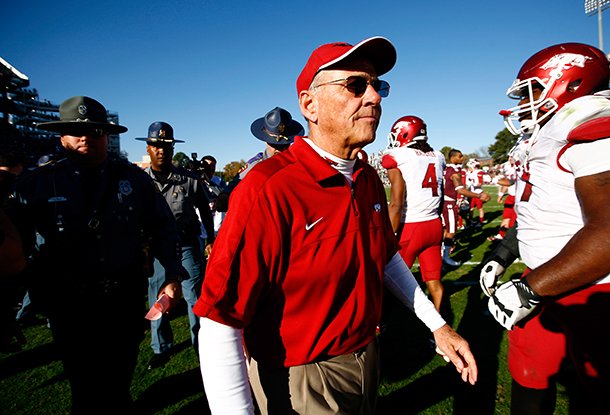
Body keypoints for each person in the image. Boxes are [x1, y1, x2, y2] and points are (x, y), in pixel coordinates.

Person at [194, 36, 477, 415]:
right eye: (356, 85)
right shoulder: (268, 187)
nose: (375, 97)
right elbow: (220, 318)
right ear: (309, 104)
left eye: (379, 85)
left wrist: (438, 326)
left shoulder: (366, 177)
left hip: (368, 354)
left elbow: (387, 258)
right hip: (303, 376)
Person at [8, 96, 186, 413]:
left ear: (106, 134)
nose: (85, 136)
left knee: (119, 376)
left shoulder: (132, 179)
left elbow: (163, 227)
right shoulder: (36, 183)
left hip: (123, 298)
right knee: (85, 385)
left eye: (94, 130)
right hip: (70, 303)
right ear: (61, 136)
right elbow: (12, 243)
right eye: (76, 130)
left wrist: (171, 275)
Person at [486, 43, 610, 414]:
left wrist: (529, 289)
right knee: (529, 373)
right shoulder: (548, 131)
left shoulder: (590, 124)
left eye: (534, 90)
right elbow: (539, 208)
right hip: (547, 276)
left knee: (598, 389)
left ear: (569, 82)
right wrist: (504, 254)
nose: (526, 102)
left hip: (593, 288)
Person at [136, 121, 215, 370]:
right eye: (157, 146)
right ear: (148, 148)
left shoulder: (189, 179)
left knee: (195, 299)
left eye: (166, 147)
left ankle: (200, 344)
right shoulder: (138, 181)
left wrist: (211, 238)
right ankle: (161, 348)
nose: (162, 151)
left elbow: (205, 208)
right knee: (158, 299)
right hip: (157, 248)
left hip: (186, 244)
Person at [382, 115, 446, 312]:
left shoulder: (397, 156)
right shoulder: (438, 156)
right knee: (434, 282)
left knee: (391, 281)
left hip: (412, 226)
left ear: (404, 133)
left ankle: (391, 324)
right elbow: (441, 195)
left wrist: (390, 234)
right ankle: (439, 327)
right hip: (434, 224)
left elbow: (396, 202)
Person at [227, 106, 304, 190]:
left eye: (284, 145)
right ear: (266, 141)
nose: (279, 149)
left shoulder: (298, 165)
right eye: (274, 145)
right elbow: (229, 192)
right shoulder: (254, 166)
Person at [442, 149, 490, 266]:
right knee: (452, 231)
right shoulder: (453, 171)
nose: (462, 158)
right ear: (452, 158)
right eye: (459, 156)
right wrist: (479, 195)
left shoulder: (446, 169)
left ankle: (442, 254)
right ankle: (445, 256)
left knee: (445, 229)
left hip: (443, 201)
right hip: (449, 203)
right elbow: (460, 189)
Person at [200, 155, 229, 234]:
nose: (210, 168)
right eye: (207, 165)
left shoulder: (219, 181)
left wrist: (209, 183)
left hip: (217, 220)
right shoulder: (197, 180)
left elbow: (224, 195)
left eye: (213, 166)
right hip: (201, 220)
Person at [465, 158, 486, 227]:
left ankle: (481, 221)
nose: (468, 168)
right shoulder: (469, 173)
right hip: (471, 193)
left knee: (480, 208)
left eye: (469, 167)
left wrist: (475, 184)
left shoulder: (478, 172)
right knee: (470, 208)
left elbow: (480, 183)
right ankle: (470, 221)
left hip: (478, 193)